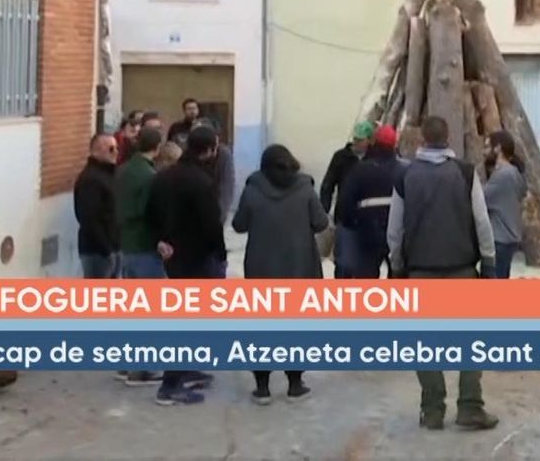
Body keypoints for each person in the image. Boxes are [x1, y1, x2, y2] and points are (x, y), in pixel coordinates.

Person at [387, 116, 498, 431]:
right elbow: (482, 222)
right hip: (462, 270)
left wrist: (397, 267)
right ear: (448, 137)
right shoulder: (465, 173)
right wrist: (488, 262)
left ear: (422, 138)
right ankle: (470, 406)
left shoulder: (405, 176)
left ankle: (433, 410)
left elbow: (395, 231)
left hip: (420, 272)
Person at [232, 144, 328, 405]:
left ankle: (262, 388)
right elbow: (321, 223)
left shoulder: (253, 190)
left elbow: (238, 225)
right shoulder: (305, 189)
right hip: (299, 270)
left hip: (261, 271)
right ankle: (295, 384)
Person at [148, 125, 228, 406]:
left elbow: (151, 214)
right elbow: (211, 225)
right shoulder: (201, 182)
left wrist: (159, 240)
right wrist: (220, 254)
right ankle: (170, 385)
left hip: (173, 257)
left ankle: (186, 370)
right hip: (198, 258)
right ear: (210, 150)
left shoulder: (163, 177)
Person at [113, 124, 164, 387]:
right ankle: (144, 369)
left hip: (126, 244)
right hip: (145, 246)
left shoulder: (122, 171)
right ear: (157, 148)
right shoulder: (149, 176)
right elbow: (150, 213)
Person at [338, 124, 403, 278]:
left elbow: (345, 202)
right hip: (397, 234)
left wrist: (352, 223)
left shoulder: (360, 170)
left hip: (366, 232)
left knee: (366, 277)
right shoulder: (403, 170)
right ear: (394, 145)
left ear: (374, 142)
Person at [323, 121, 374, 278]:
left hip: (369, 219)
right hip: (345, 217)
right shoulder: (341, 157)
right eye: (356, 139)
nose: (358, 143)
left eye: (361, 140)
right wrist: (324, 210)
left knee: (365, 265)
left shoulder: (373, 159)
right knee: (344, 263)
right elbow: (328, 184)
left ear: (370, 140)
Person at [73, 133, 120, 279]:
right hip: (98, 251)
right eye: (111, 149)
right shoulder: (91, 180)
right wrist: (106, 250)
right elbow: (89, 218)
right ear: (96, 151)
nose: (116, 152)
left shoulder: (108, 175)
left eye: (117, 148)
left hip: (112, 247)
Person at [482, 131, 527, 279]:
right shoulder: (514, 173)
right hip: (509, 237)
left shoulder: (502, 175)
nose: (484, 152)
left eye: (488, 147)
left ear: (498, 148)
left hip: (500, 238)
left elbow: (481, 200)